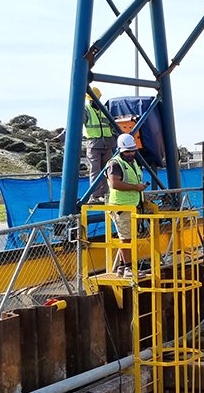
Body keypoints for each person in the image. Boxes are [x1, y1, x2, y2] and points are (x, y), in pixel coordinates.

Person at [107, 133, 147, 278]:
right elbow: (114, 183)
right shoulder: (115, 164)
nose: (131, 153)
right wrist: (135, 188)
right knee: (125, 238)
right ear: (121, 150)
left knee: (129, 237)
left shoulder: (133, 163)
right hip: (121, 207)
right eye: (128, 151)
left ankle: (122, 267)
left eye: (132, 150)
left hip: (131, 206)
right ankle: (129, 269)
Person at [84, 87, 113, 202]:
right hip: (94, 144)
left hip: (107, 144)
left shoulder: (105, 110)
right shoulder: (86, 110)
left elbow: (112, 125)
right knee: (95, 171)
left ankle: (106, 194)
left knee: (108, 170)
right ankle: (95, 196)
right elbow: (74, 123)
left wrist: (114, 139)